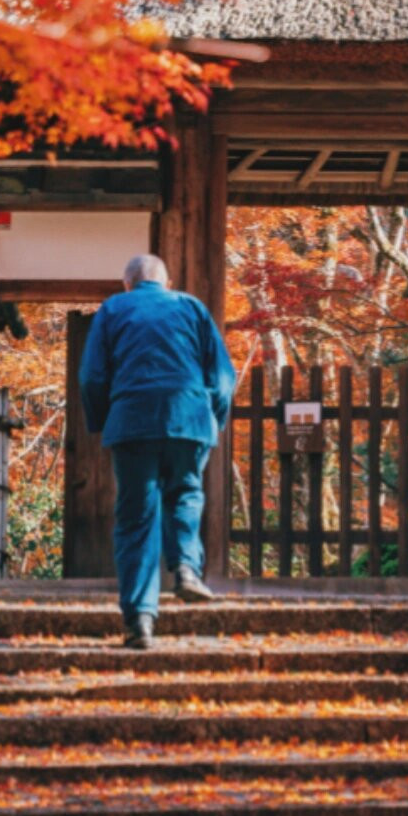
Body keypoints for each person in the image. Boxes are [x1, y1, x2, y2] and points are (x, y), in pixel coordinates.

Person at [77, 254, 238, 650]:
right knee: (185, 493)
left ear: (128, 283)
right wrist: (211, 418)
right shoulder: (192, 308)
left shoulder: (114, 308)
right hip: (189, 418)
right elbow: (222, 376)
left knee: (136, 519)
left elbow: (92, 376)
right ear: (165, 282)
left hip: (133, 421)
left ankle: (140, 621)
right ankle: (185, 568)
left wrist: (102, 420)